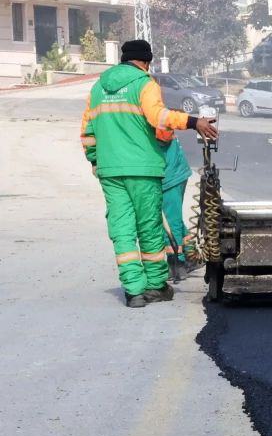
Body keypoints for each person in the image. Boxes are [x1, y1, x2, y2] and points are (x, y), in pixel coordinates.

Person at [80, 40, 219, 308]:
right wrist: (193, 121)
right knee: (150, 227)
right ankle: (156, 285)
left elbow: (87, 131)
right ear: (146, 62)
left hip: (110, 171)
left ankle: (133, 292)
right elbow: (158, 117)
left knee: (121, 229)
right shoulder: (144, 84)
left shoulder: (97, 88)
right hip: (143, 169)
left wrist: (95, 161)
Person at [161, 137, 196, 266]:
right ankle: (190, 254)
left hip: (170, 175)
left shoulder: (154, 120)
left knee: (170, 221)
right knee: (173, 216)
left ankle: (177, 261)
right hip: (174, 171)